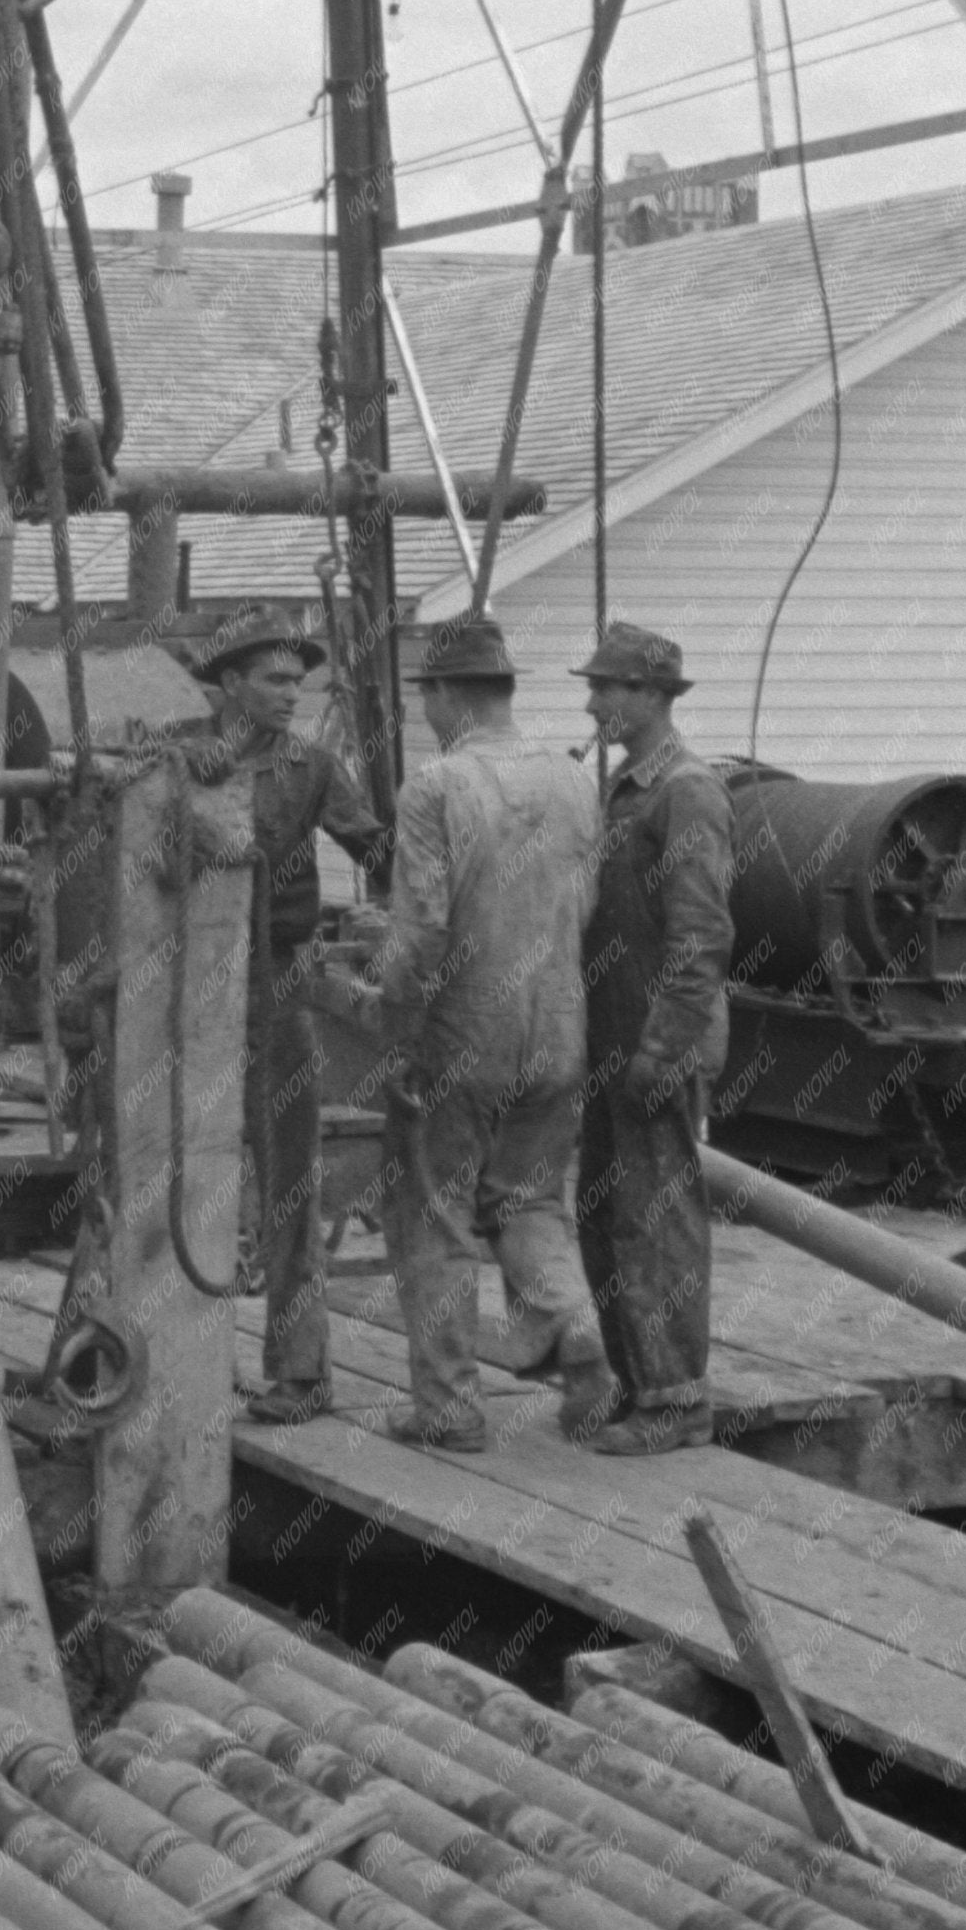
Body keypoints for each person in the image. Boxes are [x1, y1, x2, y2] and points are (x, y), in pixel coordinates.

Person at [374, 608, 608, 1450]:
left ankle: (449, 1407)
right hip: (557, 1030)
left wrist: (395, 1032)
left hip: (463, 1036)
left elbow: (421, 929)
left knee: (435, 1210)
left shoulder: (436, 786)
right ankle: (577, 1330)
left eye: (426, 695)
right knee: (530, 1197)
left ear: (444, 695)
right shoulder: (575, 780)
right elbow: (586, 902)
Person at [174, 602, 391, 1422]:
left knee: (291, 1179)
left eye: (298, 680)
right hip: (189, 987)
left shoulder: (314, 766)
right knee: (167, 1164)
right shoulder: (177, 757)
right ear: (229, 684)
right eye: (273, 678)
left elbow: (378, 849)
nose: (290, 692)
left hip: (278, 982)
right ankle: (160, 1352)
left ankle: (302, 1373)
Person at [574, 621, 736, 1457]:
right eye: (595, 686)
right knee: (603, 1215)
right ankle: (638, 1383)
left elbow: (701, 936)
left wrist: (662, 1047)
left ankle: (677, 1400)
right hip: (611, 1039)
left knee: (656, 1218)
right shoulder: (624, 787)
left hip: (649, 1042)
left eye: (609, 687)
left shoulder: (687, 791)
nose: (594, 701)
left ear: (650, 696)